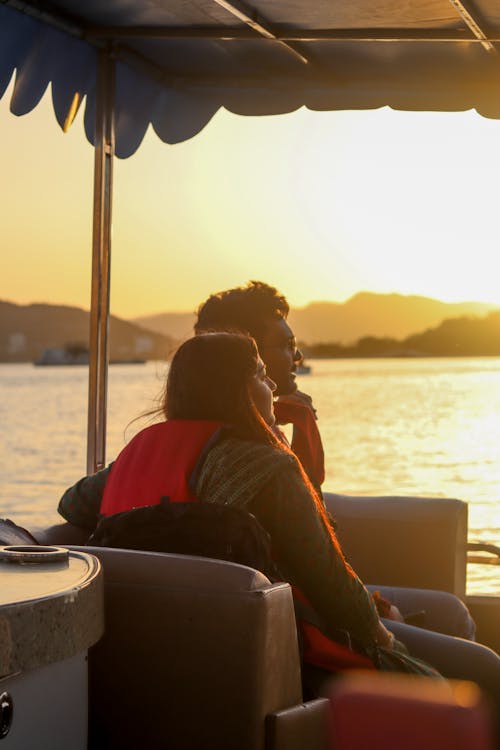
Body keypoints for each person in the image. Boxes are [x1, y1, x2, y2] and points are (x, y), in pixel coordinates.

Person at [59, 332, 500, 715]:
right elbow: (329, 582)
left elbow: (71, 503)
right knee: (484, 675)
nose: (271, 384)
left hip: (157, 665)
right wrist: (383, 635)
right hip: (287, 660)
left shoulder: (135, 455)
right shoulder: (266, 468)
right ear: (236, 390)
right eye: (260, 374)